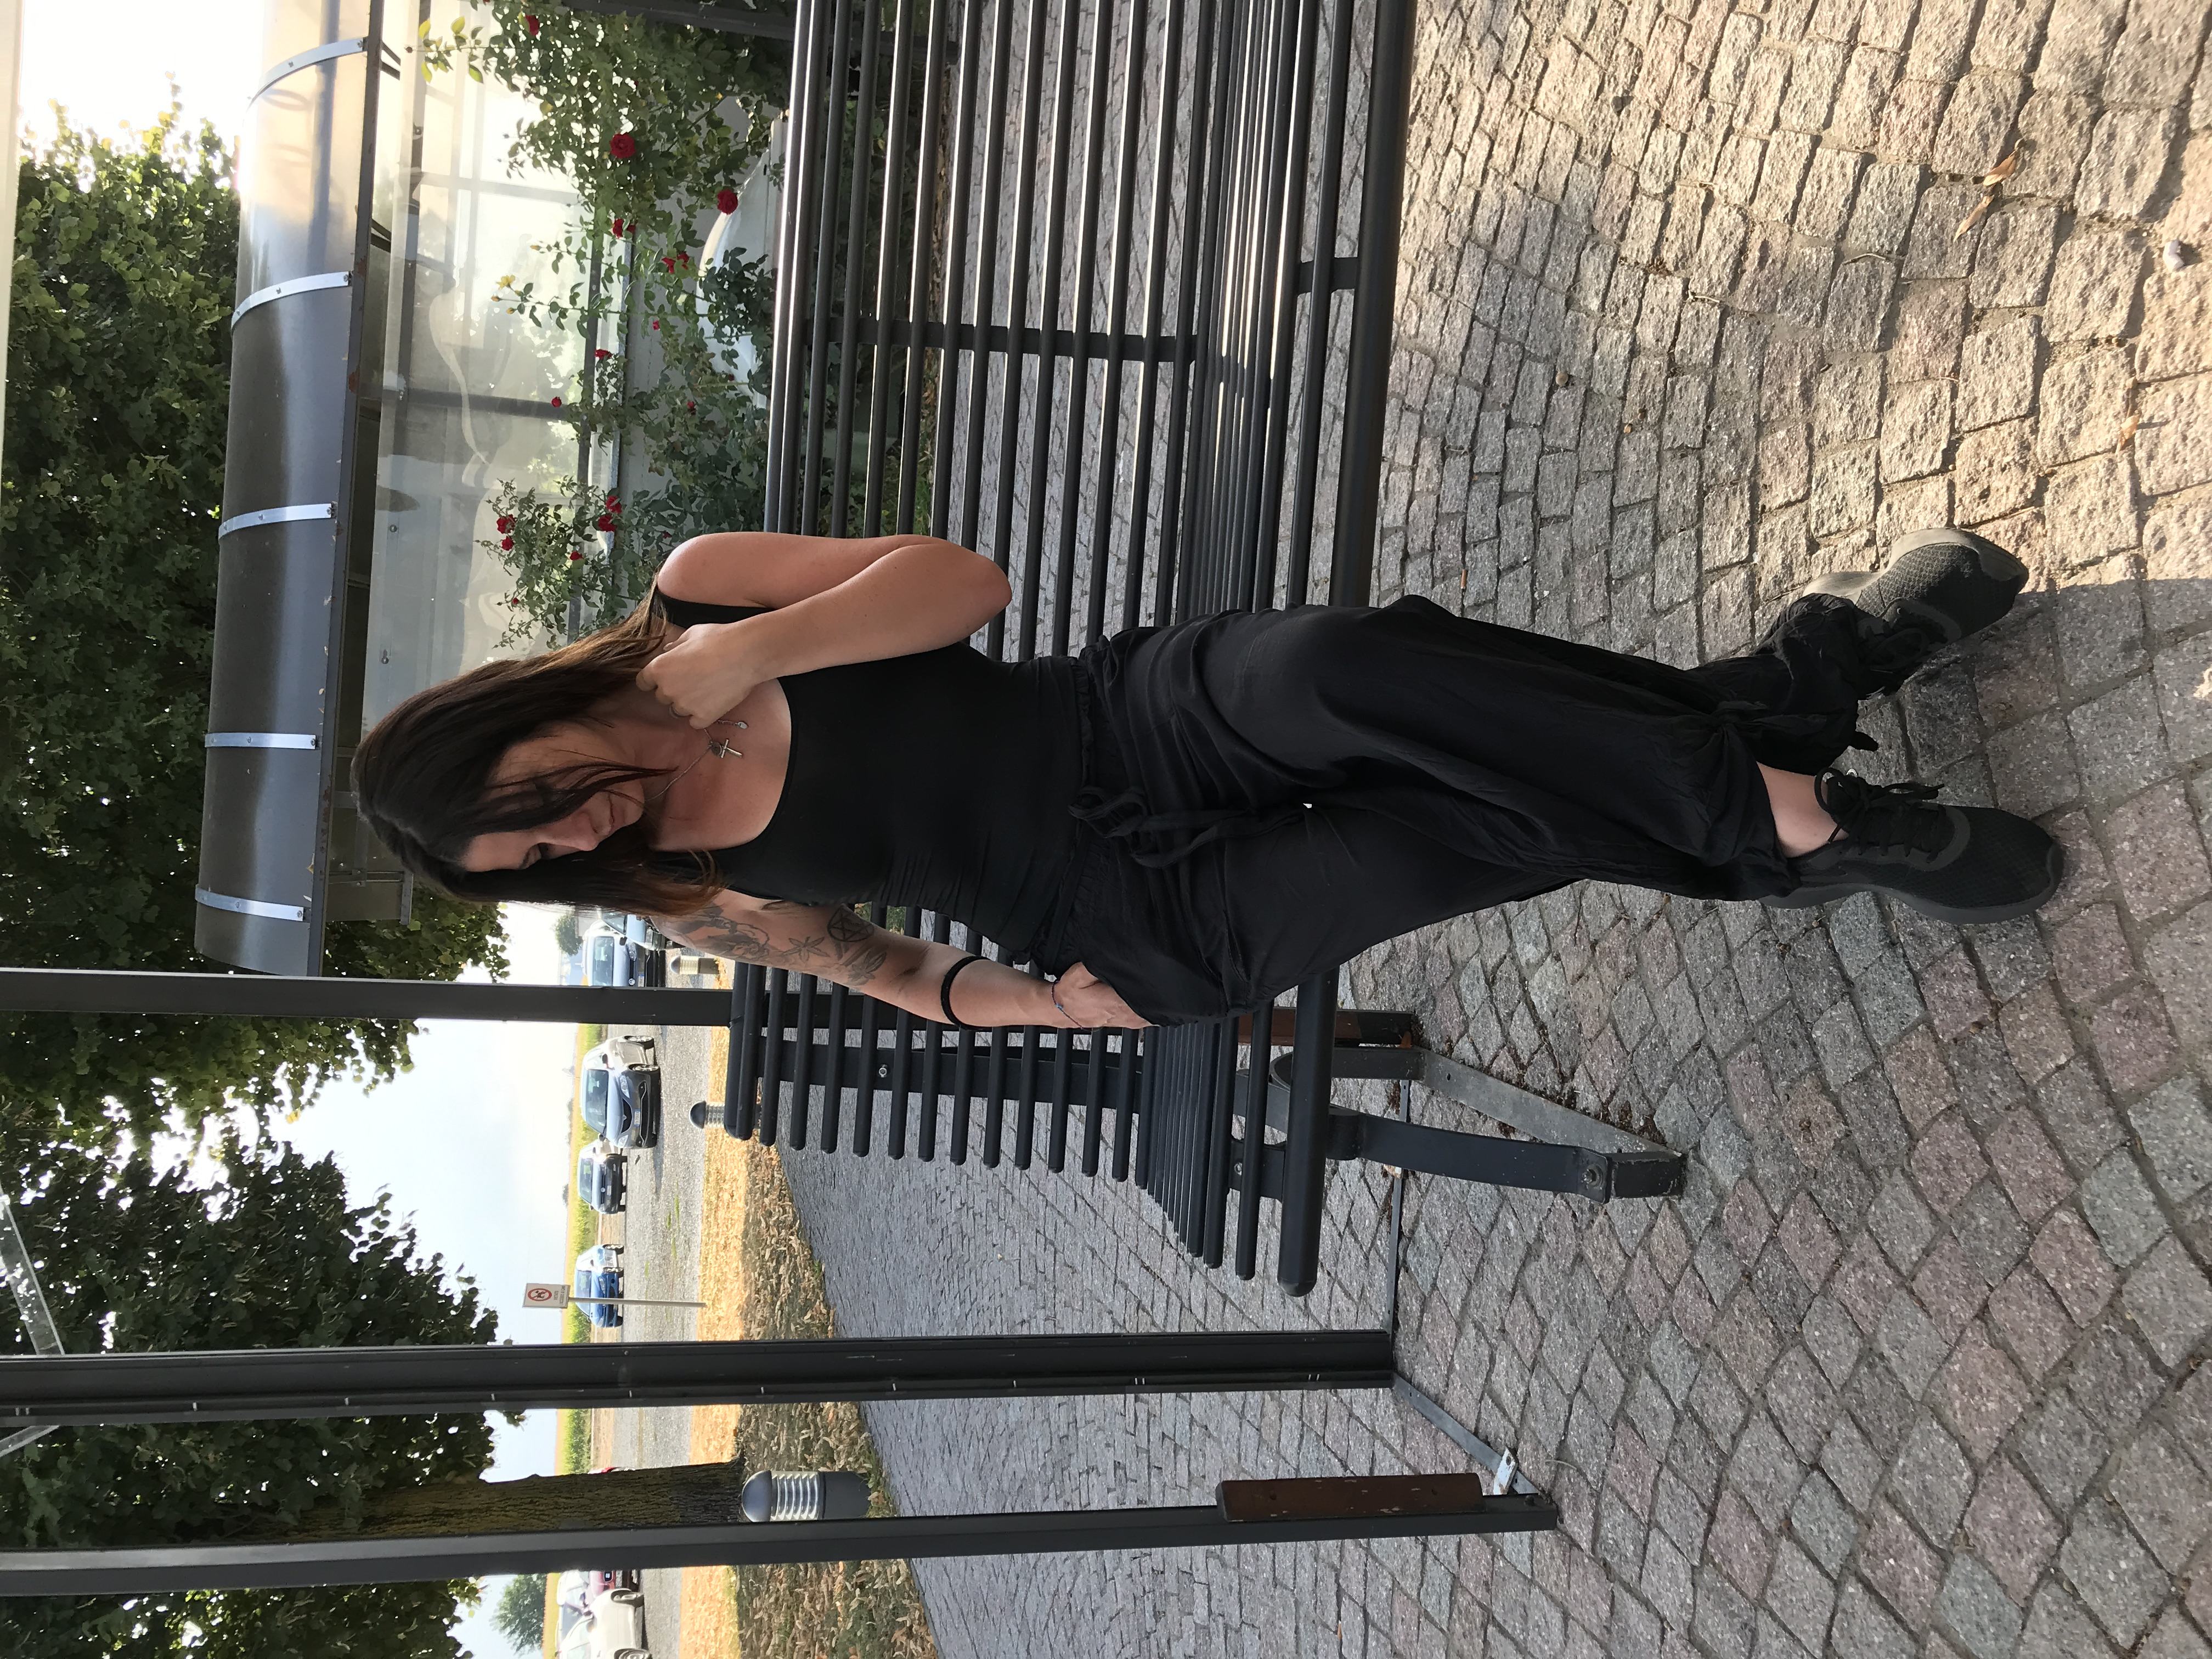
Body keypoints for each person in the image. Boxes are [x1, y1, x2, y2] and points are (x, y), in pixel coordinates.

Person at [354, 527, 2062, 1031]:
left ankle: (1783, 798)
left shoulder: (704, 590)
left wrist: (747, 657)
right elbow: (875, 965)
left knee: (1340, 670)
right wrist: (1038, 1009)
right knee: (1436, 833)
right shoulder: (682, 893)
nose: (576, 836)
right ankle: (1794, 718)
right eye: (542, 863)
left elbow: (963, 587)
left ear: (504, 727)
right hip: (1122, 913)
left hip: (1127, 722)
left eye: (536, 805)